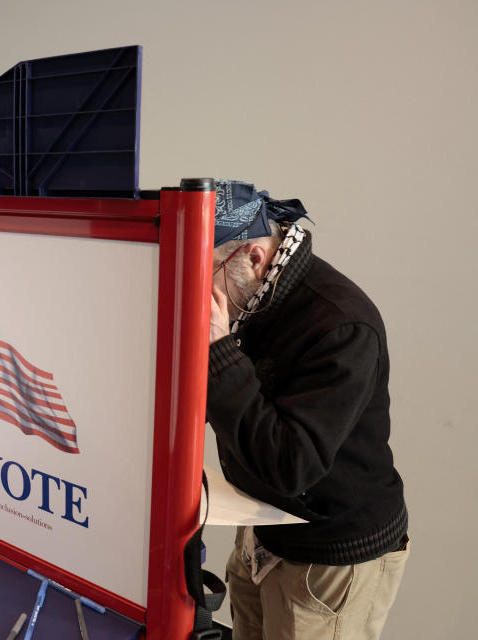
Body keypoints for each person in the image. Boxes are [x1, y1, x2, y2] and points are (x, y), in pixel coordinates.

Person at [205, 180, 408, 639]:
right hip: (263, 528)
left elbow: (291, 466)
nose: (194, 295)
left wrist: (217, 350)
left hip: (329, 556)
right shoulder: (250, 299)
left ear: (252, 258)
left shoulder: (341, 326)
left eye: (202, 276)